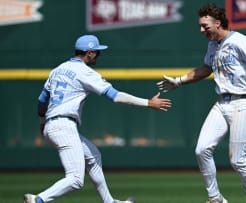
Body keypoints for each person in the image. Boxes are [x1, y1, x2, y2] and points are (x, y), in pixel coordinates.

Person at [24, 34, 172, 203]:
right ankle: (38, 200)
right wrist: (148, 103)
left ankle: (109, 201)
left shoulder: (57, 70)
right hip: (64, 126)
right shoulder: (85, 72)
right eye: (97, 52)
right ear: (89, 53)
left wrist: (43, 122)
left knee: (93, 156)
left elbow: (42, 100)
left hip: (53, 125)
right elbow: (115, 96)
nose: (98, 55)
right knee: (75, 179)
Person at [157, 3, 246, 203]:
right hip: (222, 103)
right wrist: (179, 80)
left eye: (205, 26)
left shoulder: (240, 41)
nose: (202, 30)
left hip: (242, 103)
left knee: (237, 160)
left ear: (218, 23)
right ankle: (215, 198)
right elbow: (206, 68)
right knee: (201, 150)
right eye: (200, 26)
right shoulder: (213, 45)